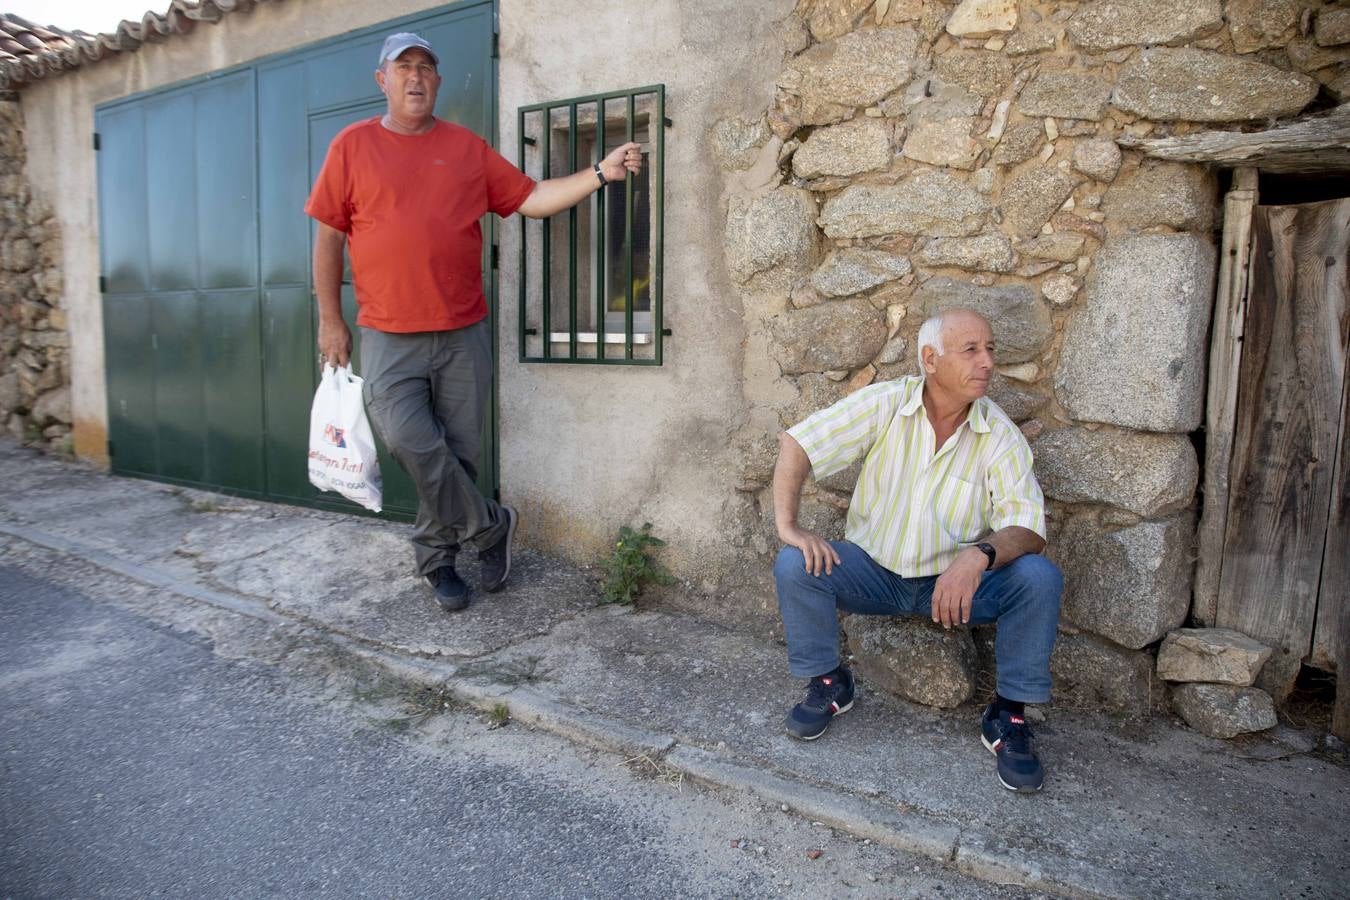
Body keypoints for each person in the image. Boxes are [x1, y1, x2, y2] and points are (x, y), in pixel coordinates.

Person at [306, 32, 642, 612]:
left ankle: (438, 562)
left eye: (426, 68)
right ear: (381, 80)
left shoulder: (465, 148)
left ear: (438, 82)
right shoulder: (351, 147)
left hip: (462, 330)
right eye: (402, 67)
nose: (415, 77)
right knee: (411, 440)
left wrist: (600, 174)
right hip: (387, 334)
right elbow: (328, 239)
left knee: (458, 455)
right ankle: (490, 526)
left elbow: (532, 198)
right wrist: (330, 319)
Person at [771, 307, 1062, 793]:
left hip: (951, 589)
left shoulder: (1000, 435)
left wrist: (978, 556)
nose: (987, 362)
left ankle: (1008, 716)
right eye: (971, 350)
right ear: (930, 359)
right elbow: (798, 443)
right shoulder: (887, 403)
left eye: (990, 350)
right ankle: (829, 682)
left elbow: (1029, 528)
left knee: (1038, 578)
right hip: (873, 574)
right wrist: (789, 526)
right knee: (795, 564)